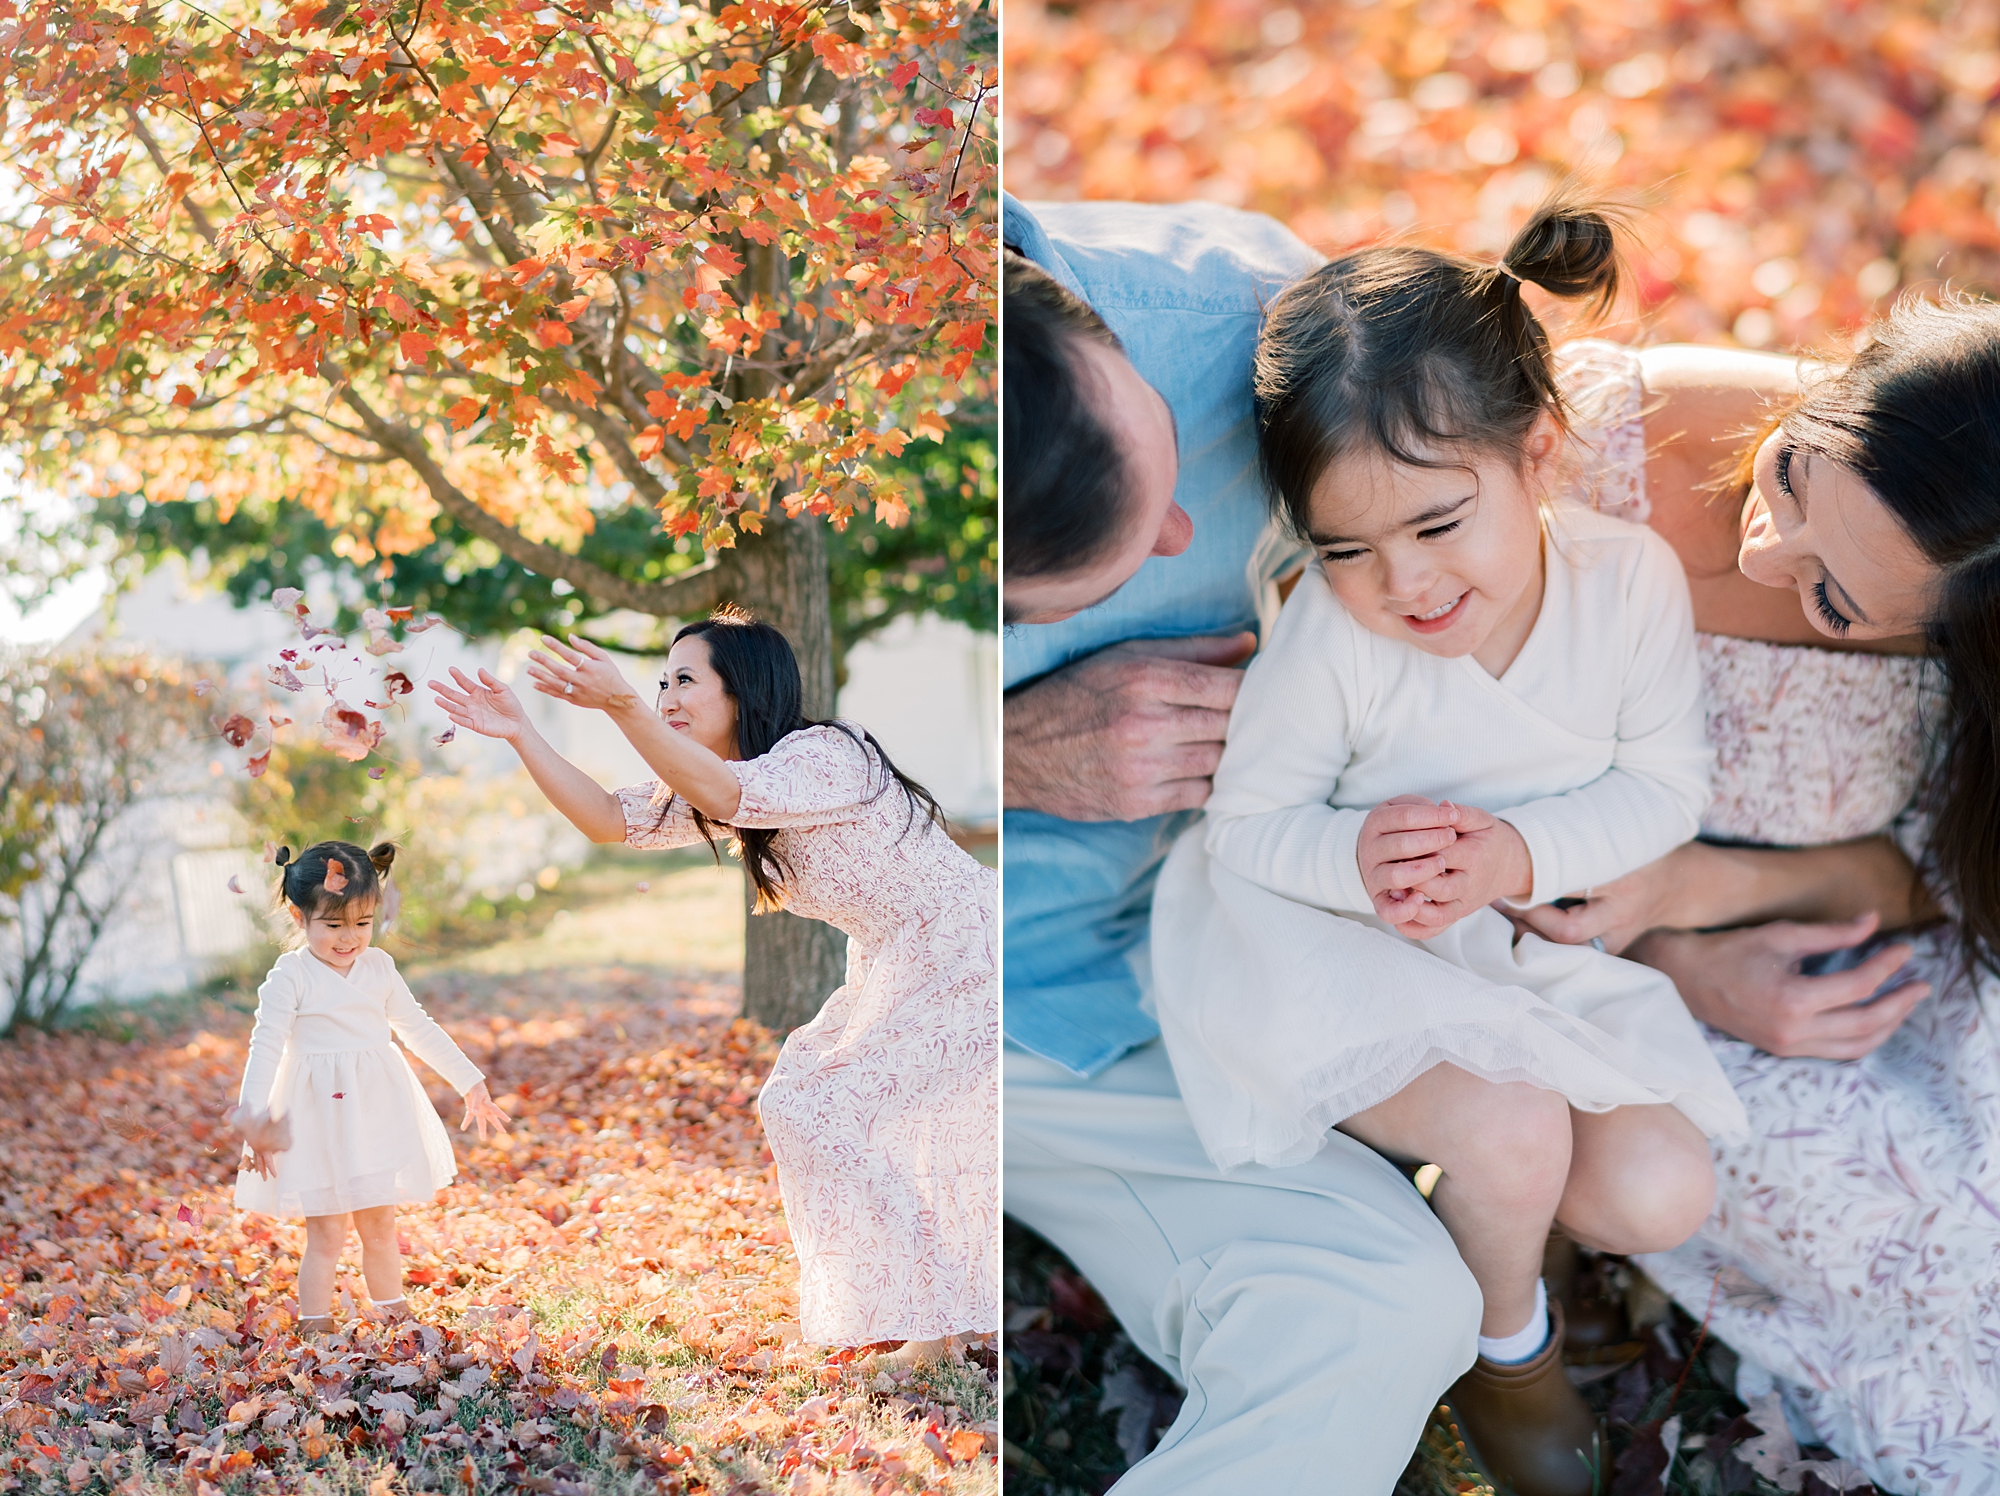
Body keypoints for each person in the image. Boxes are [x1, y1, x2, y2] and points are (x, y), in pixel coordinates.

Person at [1151, 199, 1749, 1496]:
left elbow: (1662, 787)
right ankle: (1505, 1349)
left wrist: (1521, 854)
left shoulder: (1626, 582)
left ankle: (1499, 1229)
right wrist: (1355, 857)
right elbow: (1251, 830)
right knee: (1516, 1123)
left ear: (1539, 453)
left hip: (1513, 937)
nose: (1403, 585)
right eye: (1347, 548)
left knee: (1661, 1193)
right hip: (1326, 943)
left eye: (1434, 525)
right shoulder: (1333, 633)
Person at [1003, 198, 1484, 1493]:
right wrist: (1006, 755)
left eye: (1171, 474)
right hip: (944, 997)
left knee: (1386, 1308)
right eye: (1096, 582)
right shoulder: (756, 474)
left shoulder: (1257, 326)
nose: (1179, 542)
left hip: (1167, 973)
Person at [1499, 297, 2000, 1492]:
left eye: (1830, 597)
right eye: (1790, 465)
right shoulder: (1593, 444)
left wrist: (1698, 884)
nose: (1763, 548)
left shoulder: (1965, 621)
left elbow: (1937, 876)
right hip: (1585, 963)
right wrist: (1680, 960)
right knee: (1942, 1258)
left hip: (1877, 952)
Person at [429, 606, 997, 1362]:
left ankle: (934, 1329)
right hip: (899, 959)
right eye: (661, 681)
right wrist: (521, 733)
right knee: (808, 1103)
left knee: (830, 1107)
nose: (666, 694)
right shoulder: (716, 783)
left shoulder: (827, 754)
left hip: (964, 948)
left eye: (685, 680)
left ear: (743, 692)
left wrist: (624, 703)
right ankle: (937, 1319)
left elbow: (731, 797)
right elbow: (606, 820)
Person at [232, 840, 510, 1336]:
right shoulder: (290, 976)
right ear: (300, 917)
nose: (349, 939)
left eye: (362, 924)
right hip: (316, 1114)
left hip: (374, 1109)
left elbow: (417, 1026)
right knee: (327, 1232)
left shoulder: (378, 967)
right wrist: (255, 1120)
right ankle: (314, 1327)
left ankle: (394, 1313)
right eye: (333, 926)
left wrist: (470, 1082)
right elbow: (266, 1046)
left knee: (380, 1223)